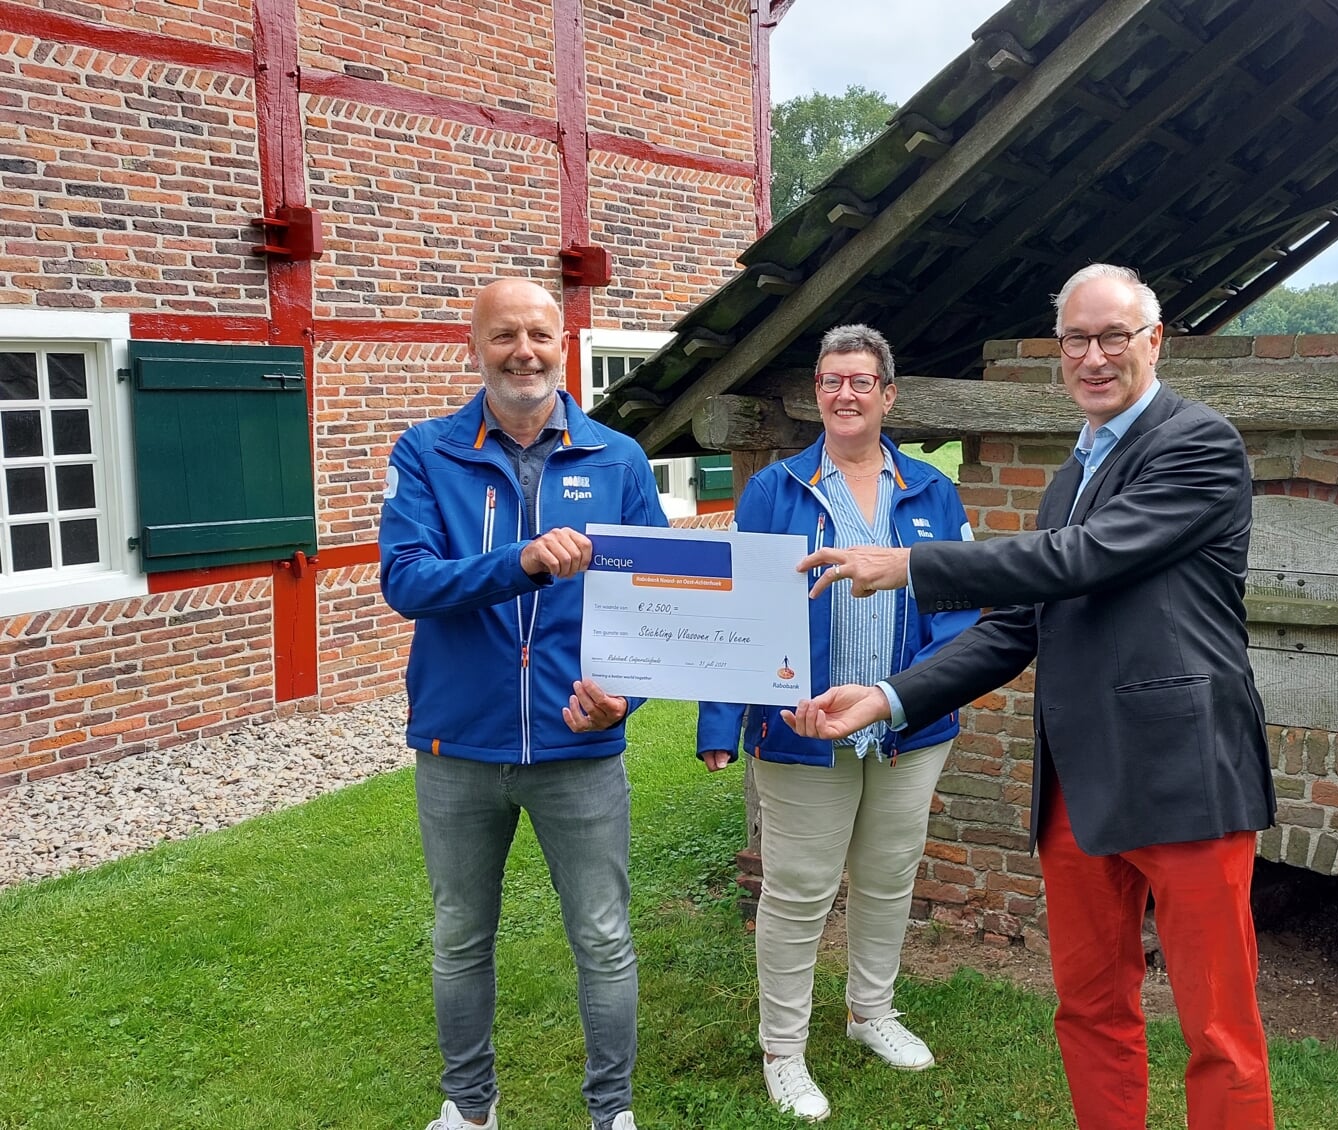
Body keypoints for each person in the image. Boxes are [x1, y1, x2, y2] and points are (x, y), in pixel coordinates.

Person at [784, 265, 1278, 1129]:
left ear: (1153, 341)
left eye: (1112, 336)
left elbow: (1079, 559)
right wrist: (888, 698)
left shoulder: (1196, 443)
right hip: (1078, 787)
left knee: (1217, 1030)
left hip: (1184, 776)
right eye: (1075, 340)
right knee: (1089, 1010)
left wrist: (911, 564)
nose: (1093, 356)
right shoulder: (1070, 474)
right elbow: (1016, 628)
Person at [379, 278, 668, 1130]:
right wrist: (522, 561)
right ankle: (470, 1107)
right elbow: (405, 579)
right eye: (504, 335)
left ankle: (610, 1113)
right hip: (458, 744)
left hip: (578, 748)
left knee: (605, 938)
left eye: (539, 334)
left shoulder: (616, 457)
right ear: (475, 346)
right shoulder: (426, 452)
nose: (524, 353)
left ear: (563, 342)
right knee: (460, 937)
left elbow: (657, 602)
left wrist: (627, 700)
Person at [696, 324, 978, 1123]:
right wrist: (722, 722)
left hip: (905, 728)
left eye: (860, 381)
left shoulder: (930, 493)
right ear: (816, 394)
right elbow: (738, 607)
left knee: (888, 880)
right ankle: (783, 1050)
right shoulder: (776, 489)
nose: (844, 394)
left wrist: (911, 696)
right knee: (798, 890)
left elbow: (957, 617)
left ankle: (870, 1014)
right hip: (800, 727)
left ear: (888, 396)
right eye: (829, 381)